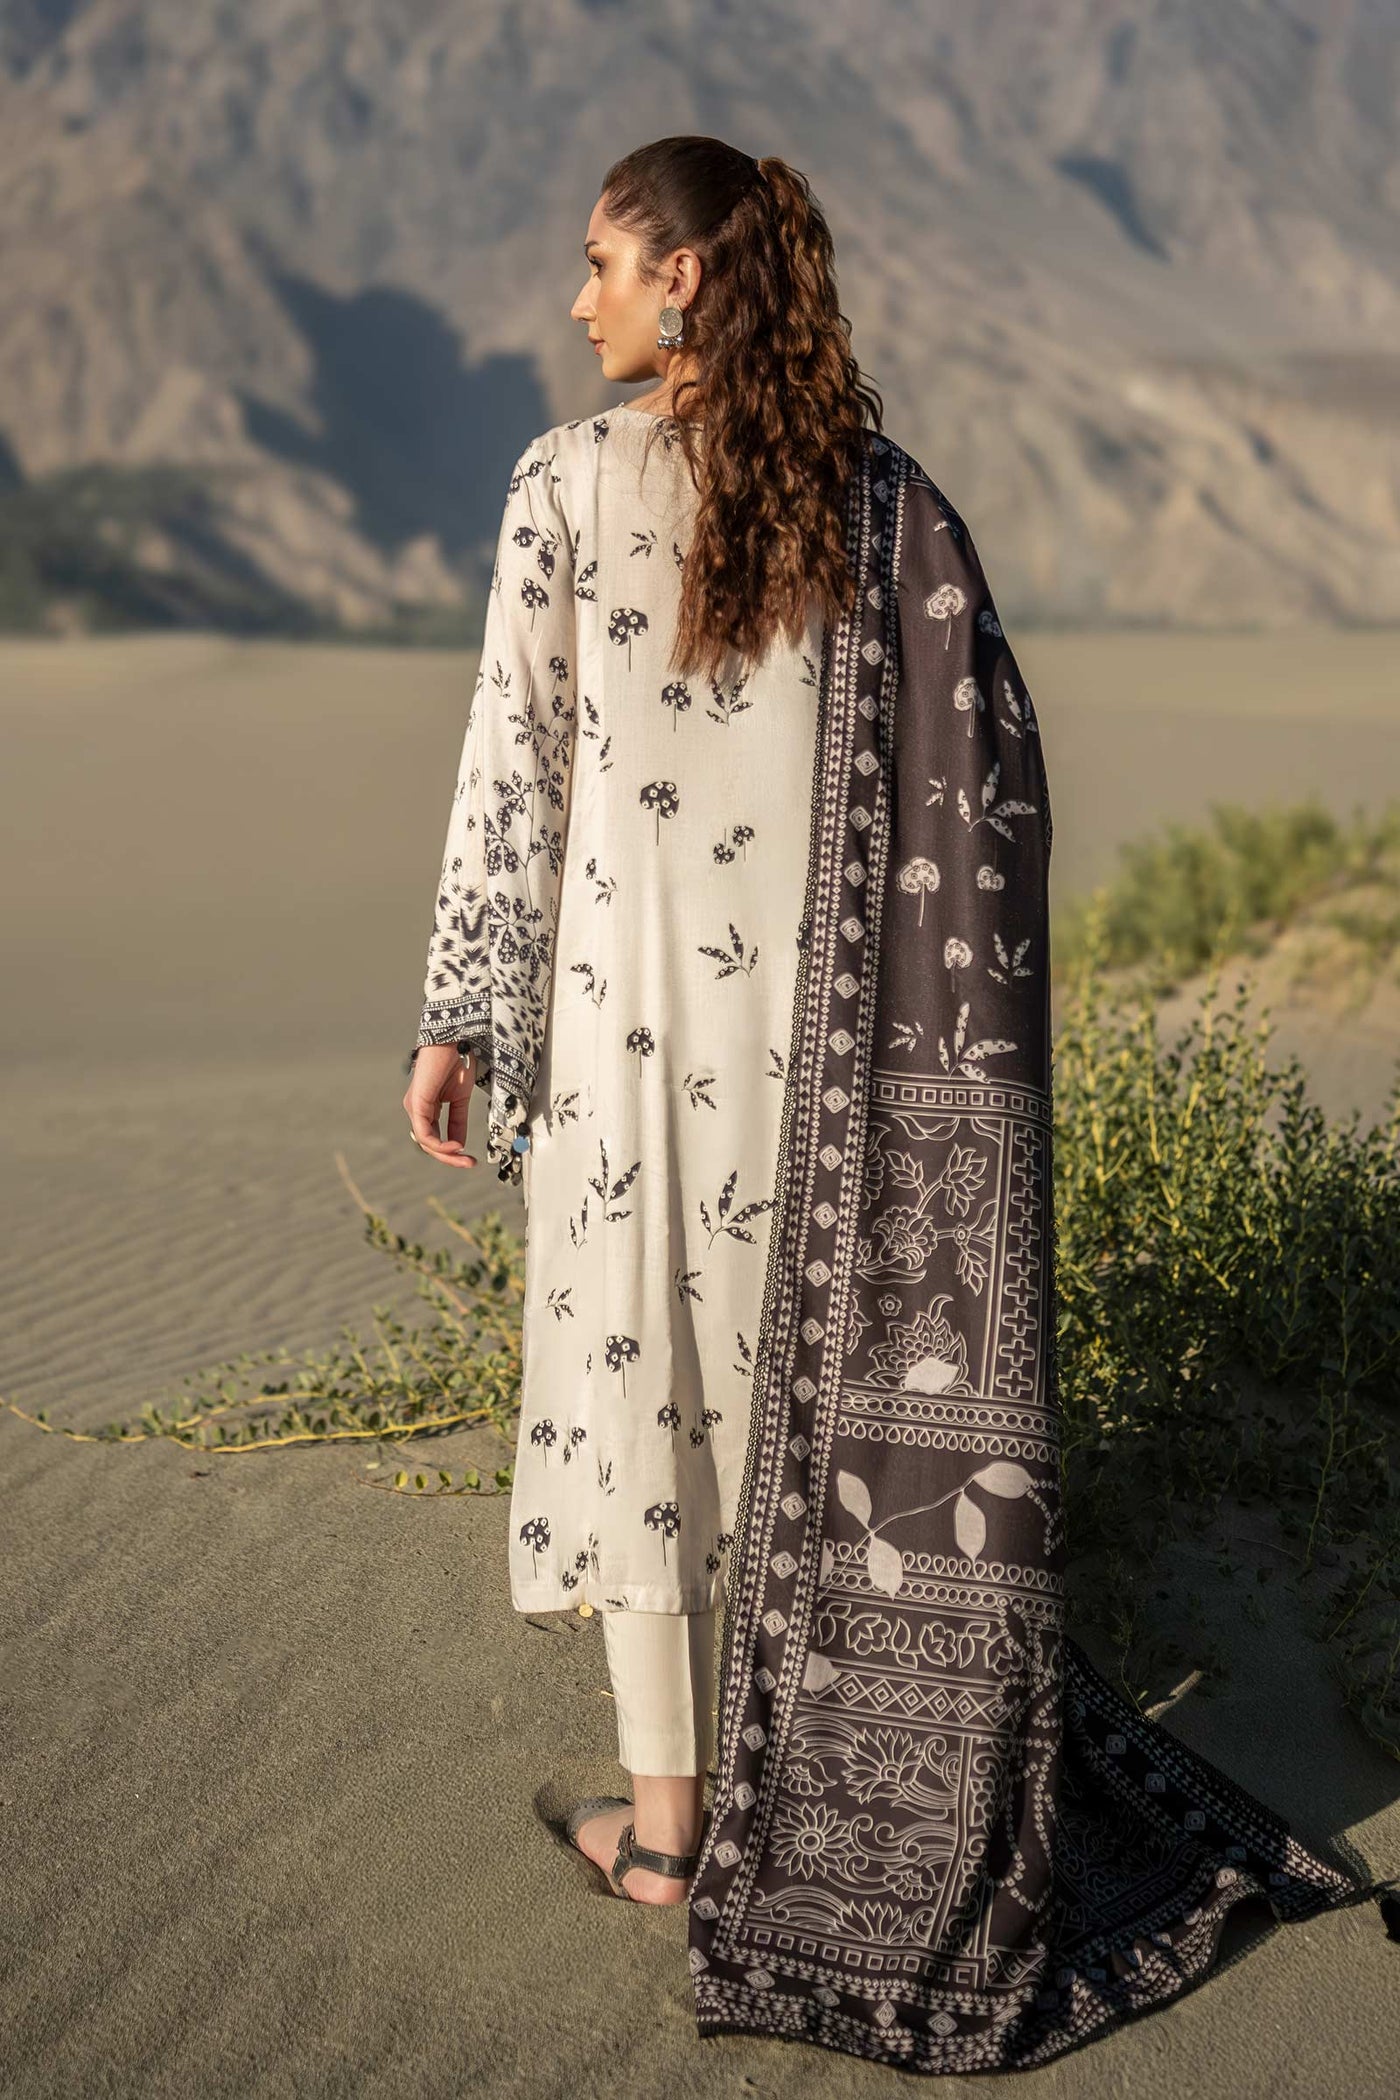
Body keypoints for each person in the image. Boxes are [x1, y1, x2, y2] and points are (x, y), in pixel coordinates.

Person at [402, 137, 871, 1904]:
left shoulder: (571, 477)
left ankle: (670, 1833)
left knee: (640, 1386)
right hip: (821, 1039)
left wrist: (462, 1014)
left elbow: (511, 768)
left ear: (682, 279)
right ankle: (831, 1789)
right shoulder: (867, 497)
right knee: (800, 1393)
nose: (575, 297)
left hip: (619, 1031)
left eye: (601, 262)